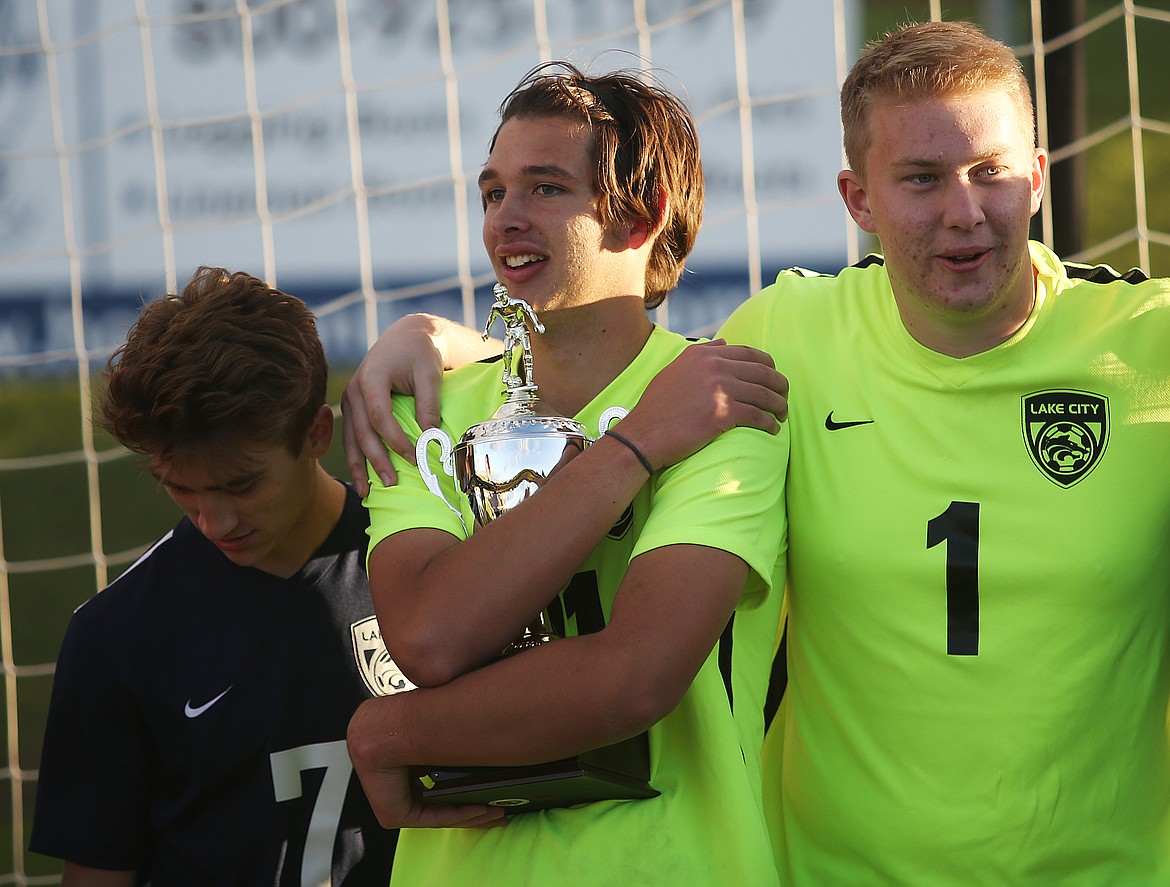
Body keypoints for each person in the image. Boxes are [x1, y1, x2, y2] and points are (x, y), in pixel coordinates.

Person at [343, 20, 1170, 886]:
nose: (963, 210)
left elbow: (634, 665)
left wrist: (389, 732)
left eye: (990, 171)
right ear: (858, 200)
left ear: (1037, 178)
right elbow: (606, 351)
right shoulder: (786, 340)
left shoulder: (1146, 348)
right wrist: (439, 340)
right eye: (921, 178)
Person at [344, 62, 790, 885]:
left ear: (642, 214)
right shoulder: (427, 407)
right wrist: (636, 447)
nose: (504, 220)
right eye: (492, 193)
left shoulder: (724, 403)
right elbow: (432, 633)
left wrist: (389, 733)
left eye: (545, 190)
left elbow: (633, 680)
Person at [29, 267, 422, 886]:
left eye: (241, 484)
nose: (215, 519)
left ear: (317, 434)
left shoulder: (420, 563)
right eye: (180, 487)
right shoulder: (114, 638)